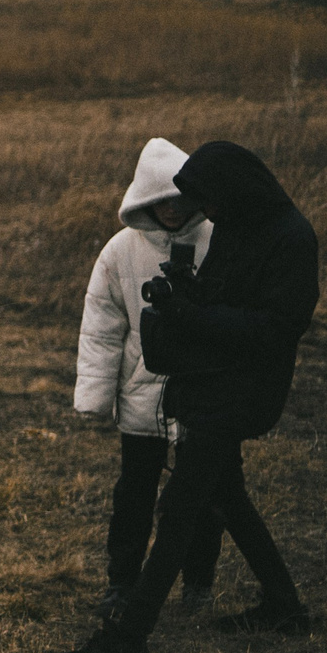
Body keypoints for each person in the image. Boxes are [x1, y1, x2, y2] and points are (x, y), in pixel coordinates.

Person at [61, 142, 317, 653]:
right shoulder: (241, 224)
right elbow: (221, 301)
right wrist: (185, 295)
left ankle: (127, 635)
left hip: (244, 392)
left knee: (179, 512)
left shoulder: (291, 238)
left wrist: (190, 313)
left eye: (211, 201)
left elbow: (274, 331)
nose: (209, 213)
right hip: (210, 382)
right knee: (229, 498)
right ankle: (284, 604)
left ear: (233, 191)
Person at [73, 138, 223, 616]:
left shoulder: (217, 241)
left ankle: (197, 583)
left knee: (204, 497)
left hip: (201, 397)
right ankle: (122, 583)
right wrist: (95, 397)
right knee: (134, 494)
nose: (172, 210)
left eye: (179, 199)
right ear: (145, 200)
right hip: (141, 400)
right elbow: (101, 327)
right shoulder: (120, 251)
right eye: (161, 201)